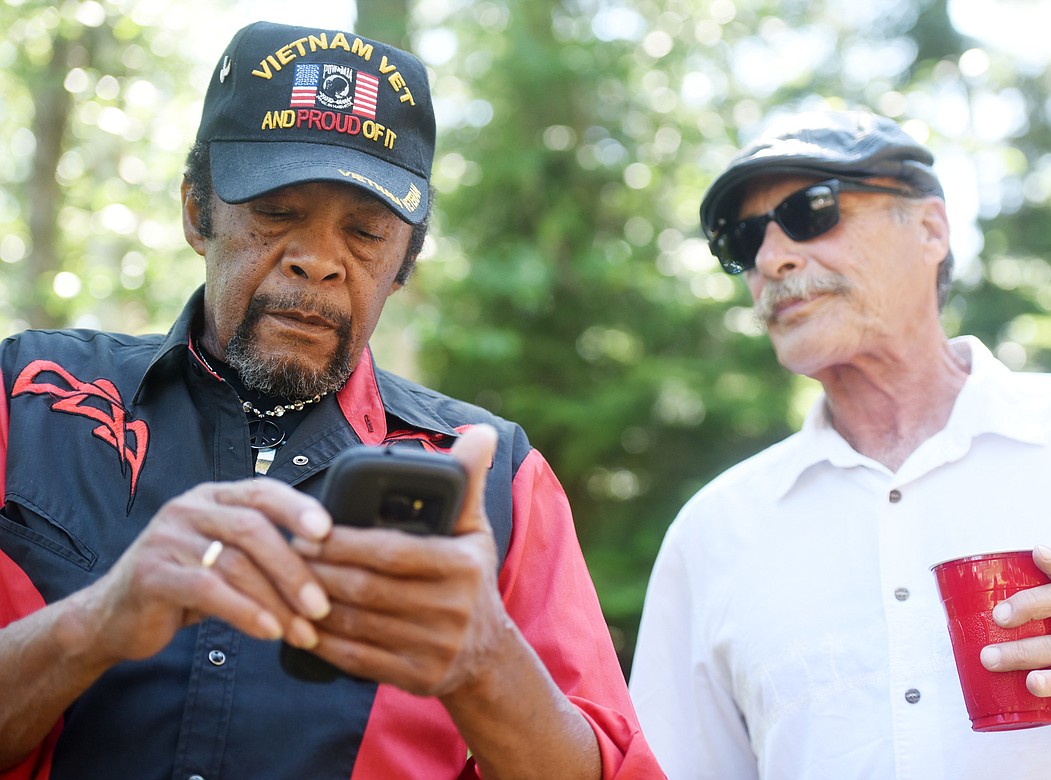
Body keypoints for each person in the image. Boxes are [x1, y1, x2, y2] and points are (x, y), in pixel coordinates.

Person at [0, 21, 662, 779]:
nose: (318, 261)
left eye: (367, 233)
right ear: (197, 212)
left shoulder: (496, 479)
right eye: (276, 212)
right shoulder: (27, 398)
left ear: (405, 261)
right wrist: (95, 623)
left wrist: (483, 661)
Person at [628, 108, 1051, 778]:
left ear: (931, 229)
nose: (772, 259)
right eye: (742, 240)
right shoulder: (711, 535)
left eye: (811, 211)